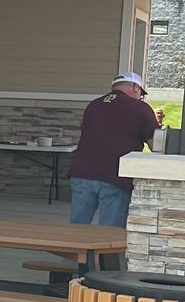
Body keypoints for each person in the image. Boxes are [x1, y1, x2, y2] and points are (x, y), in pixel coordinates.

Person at [68, 71, 163, 226]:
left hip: (82, 173)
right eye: (141, 92)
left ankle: (75, 250)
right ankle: (106, 251)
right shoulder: (140, 108)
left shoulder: (93, 105)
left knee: (77, 227)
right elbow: (156, 146)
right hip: (115, 175)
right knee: (110, 233)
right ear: (134, 87)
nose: (141, 96)